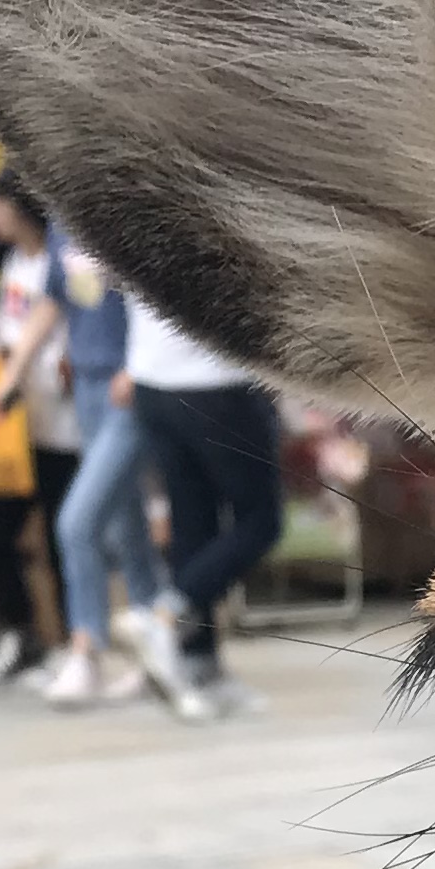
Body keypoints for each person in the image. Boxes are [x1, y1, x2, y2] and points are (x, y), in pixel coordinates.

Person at [20, 223, 168, 705]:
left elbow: (159, 298)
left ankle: (86, 647)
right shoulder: (61, 224)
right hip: (85, 388)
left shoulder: (118, 210)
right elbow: (54, 301)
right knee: (127, 526)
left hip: (130, 390)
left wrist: (136, 366)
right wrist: (15, 370)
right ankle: (160, 650)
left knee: (78, 521)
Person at [124, 291, 284, 724]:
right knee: (261, 521)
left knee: (193, 523)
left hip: (152, 381)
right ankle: (170, 611)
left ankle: (199, 662)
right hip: (216, 383)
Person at [0, 184, 78, 690]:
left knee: (63, 536)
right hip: (14, 427)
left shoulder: (59, 262)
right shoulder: (8, 266)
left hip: (63, 423)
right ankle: (21, 633)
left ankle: (77, 644)